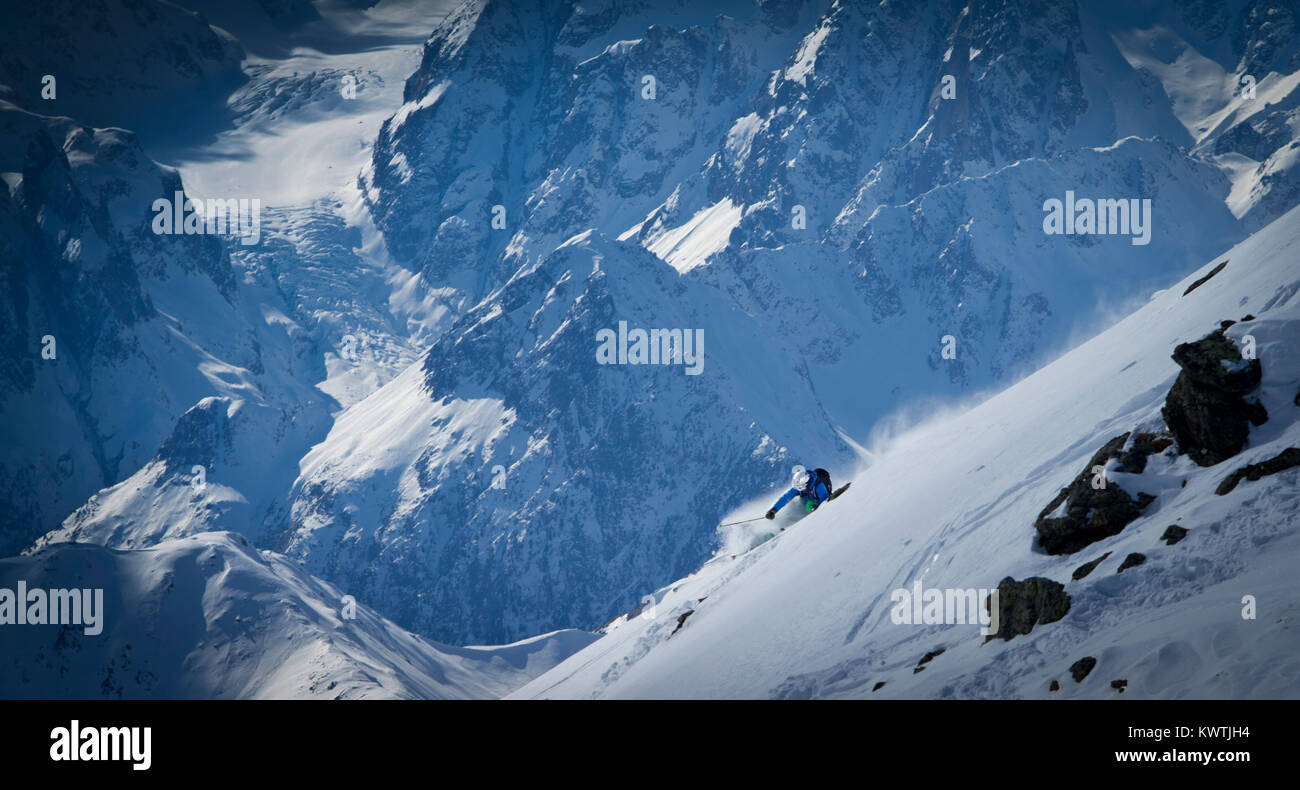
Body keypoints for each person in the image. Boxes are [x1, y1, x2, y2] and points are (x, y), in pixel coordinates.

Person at [765, 464, 832, 520]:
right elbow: (786, 497)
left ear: (807, 483)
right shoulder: (800, 485)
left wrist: (816, 507)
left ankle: (804, 519)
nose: (800, 489)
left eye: (801, 488)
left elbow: (825, 500)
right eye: (798, 488)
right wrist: (774, 510)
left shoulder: (819, 486)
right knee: (796, 501)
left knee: (809, 504)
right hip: (808, 497)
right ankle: (791, 518)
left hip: (816, 501)